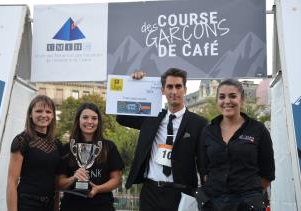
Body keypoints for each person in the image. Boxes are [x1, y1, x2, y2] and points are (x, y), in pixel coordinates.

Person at [116, 68, 208, 211]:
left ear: (185, 89)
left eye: (178, 86)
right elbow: (121, 117)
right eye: (169, 87)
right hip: (151, 192)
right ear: (163, 90)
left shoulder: (199, 123)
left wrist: (206, 193)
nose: (174, 91)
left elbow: (203, 163)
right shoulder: (151, 117)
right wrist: (135, 85)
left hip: (182, 193)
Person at [199, 79, 275, 211]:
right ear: (217, 101)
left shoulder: (258, 129)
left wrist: (250, 193)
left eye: (232, 96)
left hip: (248, 203)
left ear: (242, 99)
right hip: (214, 203)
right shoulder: (208, 131)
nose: (227, 101)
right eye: (222, 97)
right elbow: (204, 171)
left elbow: (267, 173)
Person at [57, 102, 124, 211]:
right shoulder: (67, 148)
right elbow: (59, 183)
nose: (89, 121)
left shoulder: (108, 147)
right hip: (71, 206)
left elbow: (116, 179)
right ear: (78, 120)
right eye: (85, 117)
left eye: (94, 118)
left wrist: (98, 189)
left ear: (98, 121)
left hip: (102, 206)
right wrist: (74, 177)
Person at [6, 95, 61, 211]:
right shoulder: (21, 141)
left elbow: (56, 183)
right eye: (39, 111)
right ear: (30, 114)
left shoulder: (57, 144)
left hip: (49, 205)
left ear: (53, 116)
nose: (44, 115)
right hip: (26, 204)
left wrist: (56, 207)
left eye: (48, 112)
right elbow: (12, 181)